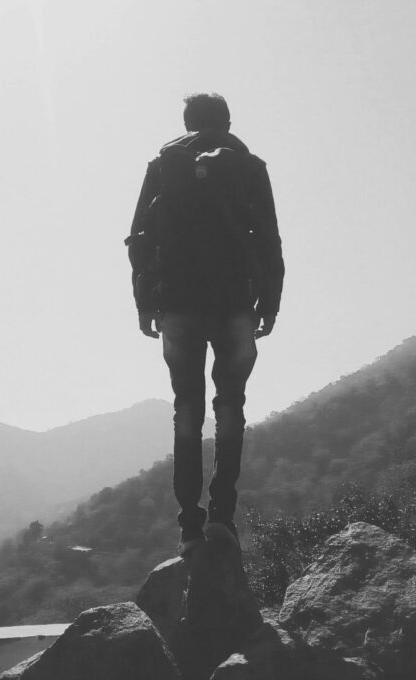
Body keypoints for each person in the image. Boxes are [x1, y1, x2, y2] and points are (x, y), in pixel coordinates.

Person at [126, 93, 284, 556]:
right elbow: (270, 240)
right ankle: (222, 518)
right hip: (234, 302)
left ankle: (189, 525)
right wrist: (269, 303)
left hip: (177, 303)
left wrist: (144, 303)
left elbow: (139, 240)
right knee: (230, 405)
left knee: (187, 410)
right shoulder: (250, 167)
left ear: (186, 122)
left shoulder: (163, 166)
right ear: (228, 120)